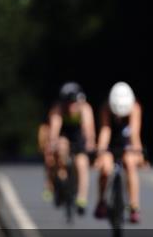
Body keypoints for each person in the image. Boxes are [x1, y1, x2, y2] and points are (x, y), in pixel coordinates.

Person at [96, 81, 143, 224]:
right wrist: (100, 152)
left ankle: (134, 206)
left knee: (130, 163)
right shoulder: (105, 108)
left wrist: (138, 152)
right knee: (105, 169)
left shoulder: (135, 108)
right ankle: (102, 201)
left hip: (126, 144)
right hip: (111, 144)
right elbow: (105, 130)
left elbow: (134, 133)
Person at [45, 82, 96, 214]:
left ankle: (81, 198)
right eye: (69, 103)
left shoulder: (85, 109)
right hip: (64, 136)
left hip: (79, 138)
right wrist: (52, 144)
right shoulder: (58, 109)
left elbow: (88, 130)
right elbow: (54, 131)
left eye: (75, 103)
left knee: (82, 163)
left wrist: (90, 144)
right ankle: (60, 179)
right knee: (60, 147)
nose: (72, 106)